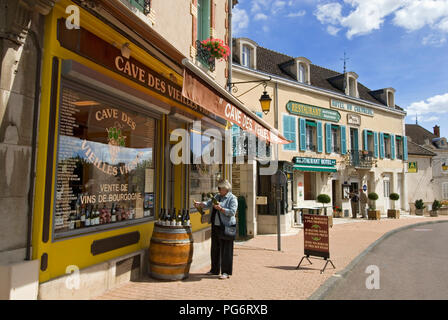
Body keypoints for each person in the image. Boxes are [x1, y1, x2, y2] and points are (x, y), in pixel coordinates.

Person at [194, 180, 238, 280]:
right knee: (215, 248)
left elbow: (232, 212)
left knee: (226, 250)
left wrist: (221, 209)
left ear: (226, 189)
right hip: (216, 226)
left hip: (226, 226)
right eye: (218, 188)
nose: (218, 190)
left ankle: (226, 272)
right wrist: (200, 204)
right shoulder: (217, 196)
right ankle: (214, 269)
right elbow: (208, 203)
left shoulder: (232, 198)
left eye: (220, 188)